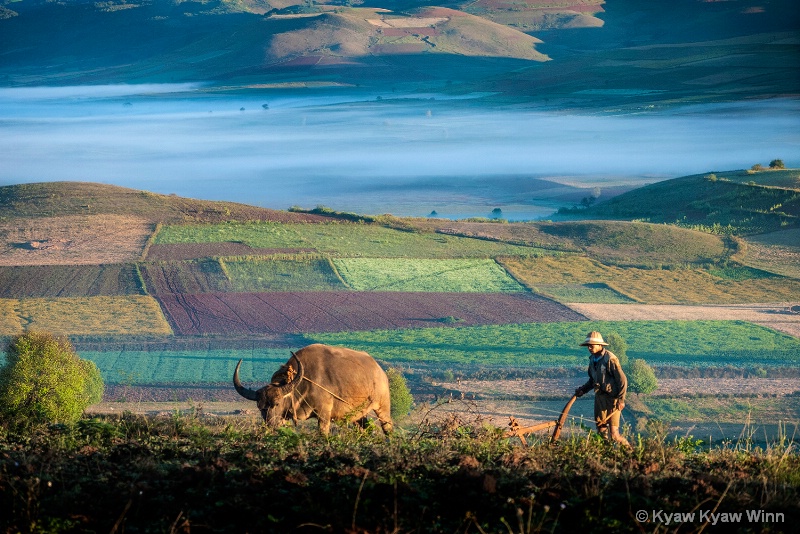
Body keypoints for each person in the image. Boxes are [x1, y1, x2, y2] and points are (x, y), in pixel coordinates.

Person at [574, 331, 631, 448]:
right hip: (599, 398)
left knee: (614, 435)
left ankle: (631, 452)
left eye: (592, 345)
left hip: (612, 400)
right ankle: (606, 455)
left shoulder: (610, 359)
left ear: (600, 345)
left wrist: (621, 399)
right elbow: (592, 380)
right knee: (601, 431)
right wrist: (583, 390)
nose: (589, 348)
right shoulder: (592, 360)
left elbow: (622, 380)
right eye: (588, 346)